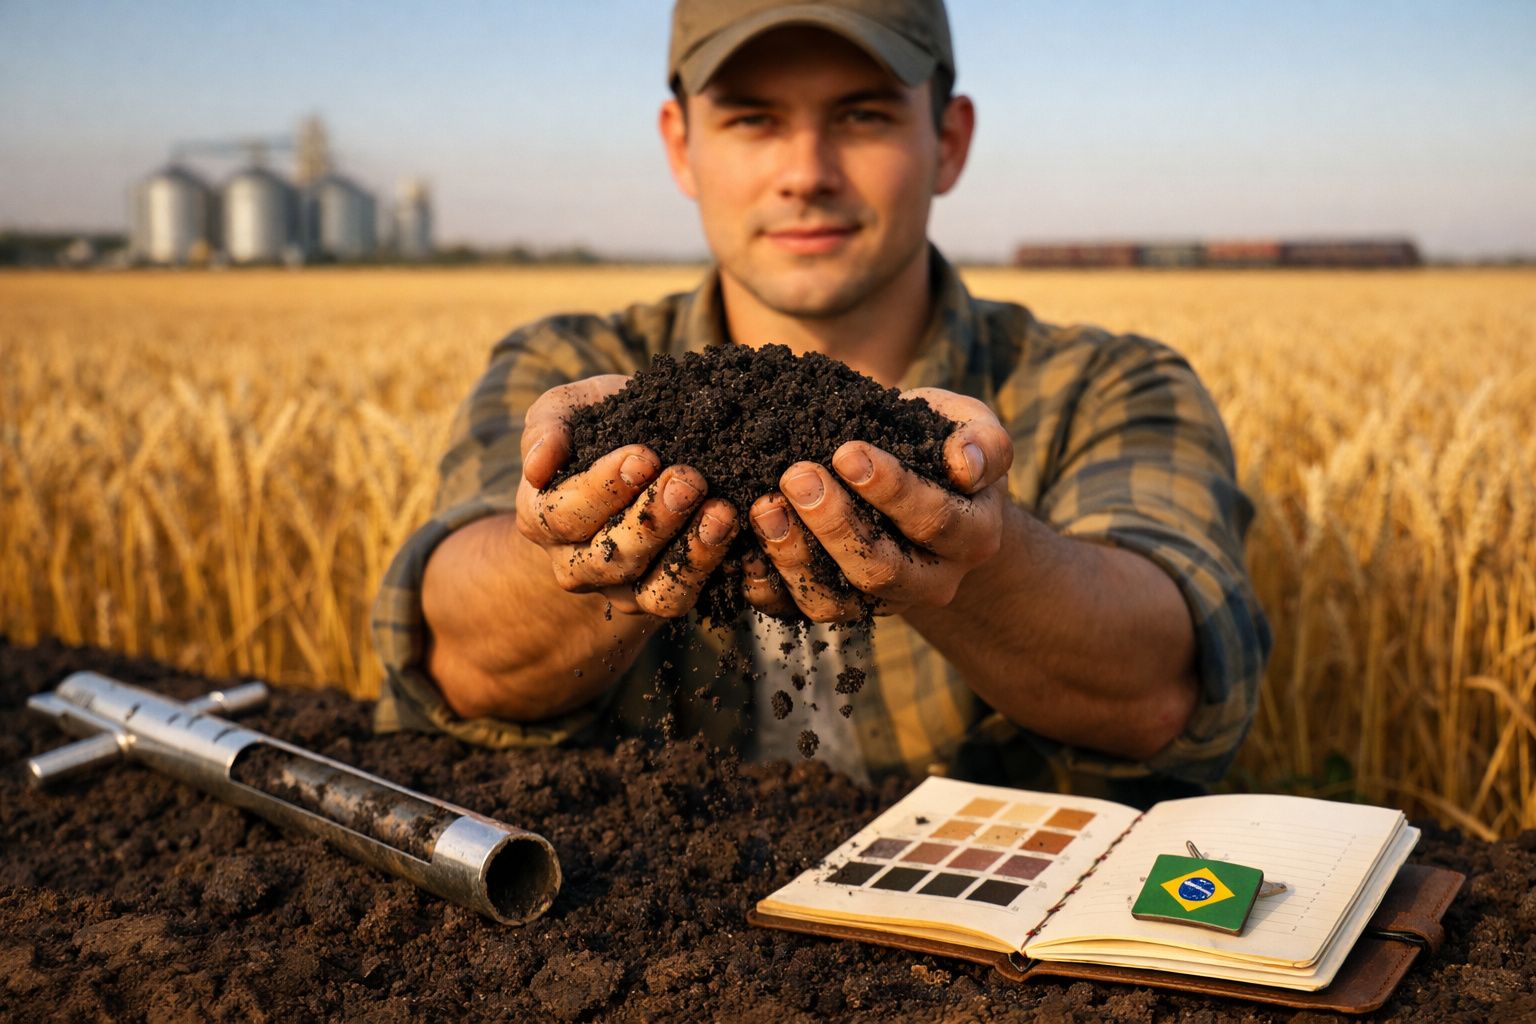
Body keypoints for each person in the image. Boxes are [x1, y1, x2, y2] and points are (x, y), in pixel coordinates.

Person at [372, 0, 1271, 805]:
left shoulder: (1107, 383)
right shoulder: (568, 370)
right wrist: (583, 535)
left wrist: (970, 550)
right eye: (753, 119)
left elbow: (1166, 687)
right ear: (681, 146)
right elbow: (457, 658)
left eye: (863, 115)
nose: (806, 173)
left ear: (949, 139)